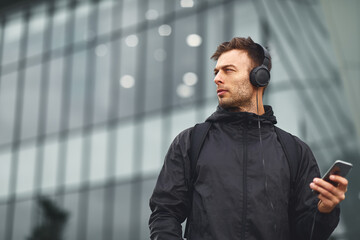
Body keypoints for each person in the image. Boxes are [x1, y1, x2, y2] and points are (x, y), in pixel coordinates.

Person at [148, 37, 348, 240]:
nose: (217, 78)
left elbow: (307, 234)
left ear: (259, 77)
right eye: (216, 72)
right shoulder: (191, 142)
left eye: (228, 70)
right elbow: (164, 214)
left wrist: (325, 210)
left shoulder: (295, 150)